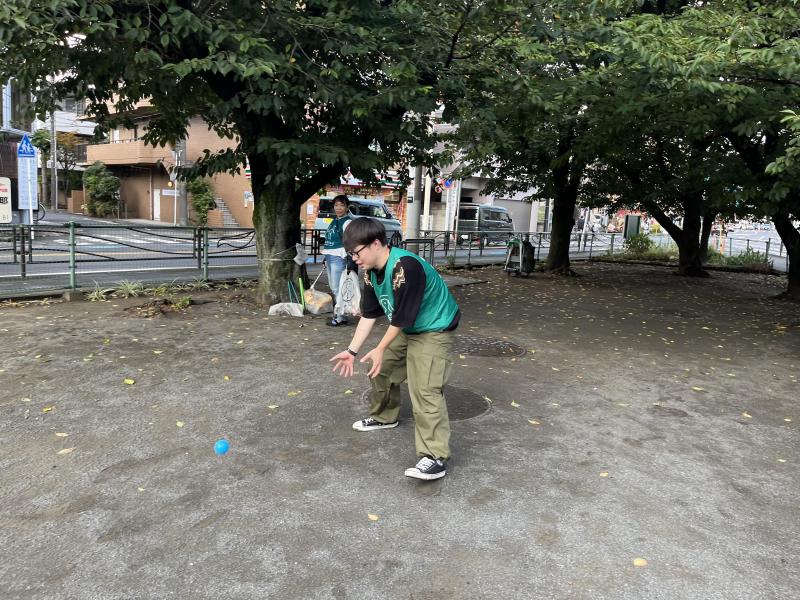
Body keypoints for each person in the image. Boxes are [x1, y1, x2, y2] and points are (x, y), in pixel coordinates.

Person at [330, 218, 460, 481]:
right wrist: (352, 351)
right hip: (408, 326)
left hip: (434, 328)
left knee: (425, 389)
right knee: (380, 368)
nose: (354, 259)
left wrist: (380, 347)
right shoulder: (370, 271)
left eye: (356, 252)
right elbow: (369, 315)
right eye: (351, 254)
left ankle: (435, 456)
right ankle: (384, 417)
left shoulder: (405, 267)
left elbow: (402, 318)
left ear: (376, 243)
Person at [321, 194, 353, 326]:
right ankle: (340, 314)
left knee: (337, 287)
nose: (338, 208)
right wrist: (326, 257)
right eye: (336, 205)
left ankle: (340, 316)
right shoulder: (334, 220)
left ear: (347, 207)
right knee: (334, 287)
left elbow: (349, 241)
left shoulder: (347, 222)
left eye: (342, 205)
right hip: (330, 256)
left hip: (339, 257)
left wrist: (348, 257)